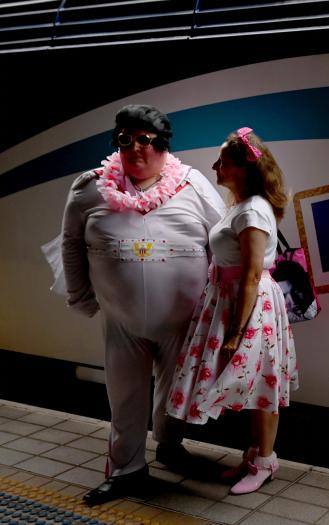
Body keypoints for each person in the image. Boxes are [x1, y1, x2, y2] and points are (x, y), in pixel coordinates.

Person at [60, 104, 225, 505]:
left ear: (164, 147)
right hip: (121, 321)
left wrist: (224, 308)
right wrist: (80, 296)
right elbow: (70, 243)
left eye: (147, 141)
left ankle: (170, 446)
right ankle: (127, 470)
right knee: (125, 397)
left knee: (174, 393)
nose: (136, 149)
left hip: (183, 321)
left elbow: (224, 243)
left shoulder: (193, 183)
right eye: (125, 139)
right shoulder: (90, 186)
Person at [167, 127, 299, 495]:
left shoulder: (254, 210)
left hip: (250, 308)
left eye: (222, 161)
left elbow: (253, 274)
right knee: (253, 384)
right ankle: (255, 456)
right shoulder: (241, 207)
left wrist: (237, 333)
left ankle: (266, 461)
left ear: (241, 168)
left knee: (263, 386)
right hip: (232, 301)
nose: (215, 166)